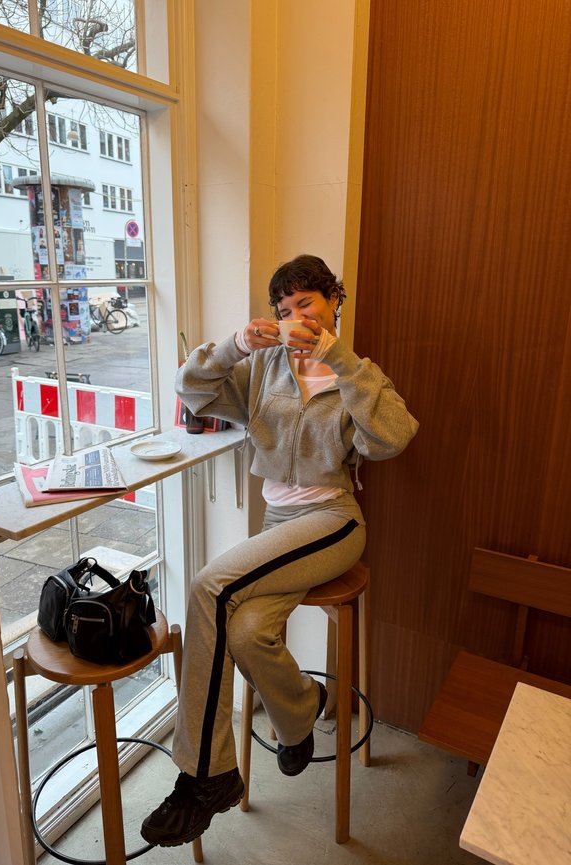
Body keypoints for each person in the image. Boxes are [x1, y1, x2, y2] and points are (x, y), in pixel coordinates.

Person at [141, 254, 419, 848]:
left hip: (333, 520)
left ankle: (204, 776)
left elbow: (394, 437)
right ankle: (304, 711)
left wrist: (339, 359)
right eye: (285, 308)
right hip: (279, 524)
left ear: (332, 303)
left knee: (206, 585)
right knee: (243, 634)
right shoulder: (263, 369)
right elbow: (191, 390)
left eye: (307, 303)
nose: (296, 316)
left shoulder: (357, 374)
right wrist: (236, 346)